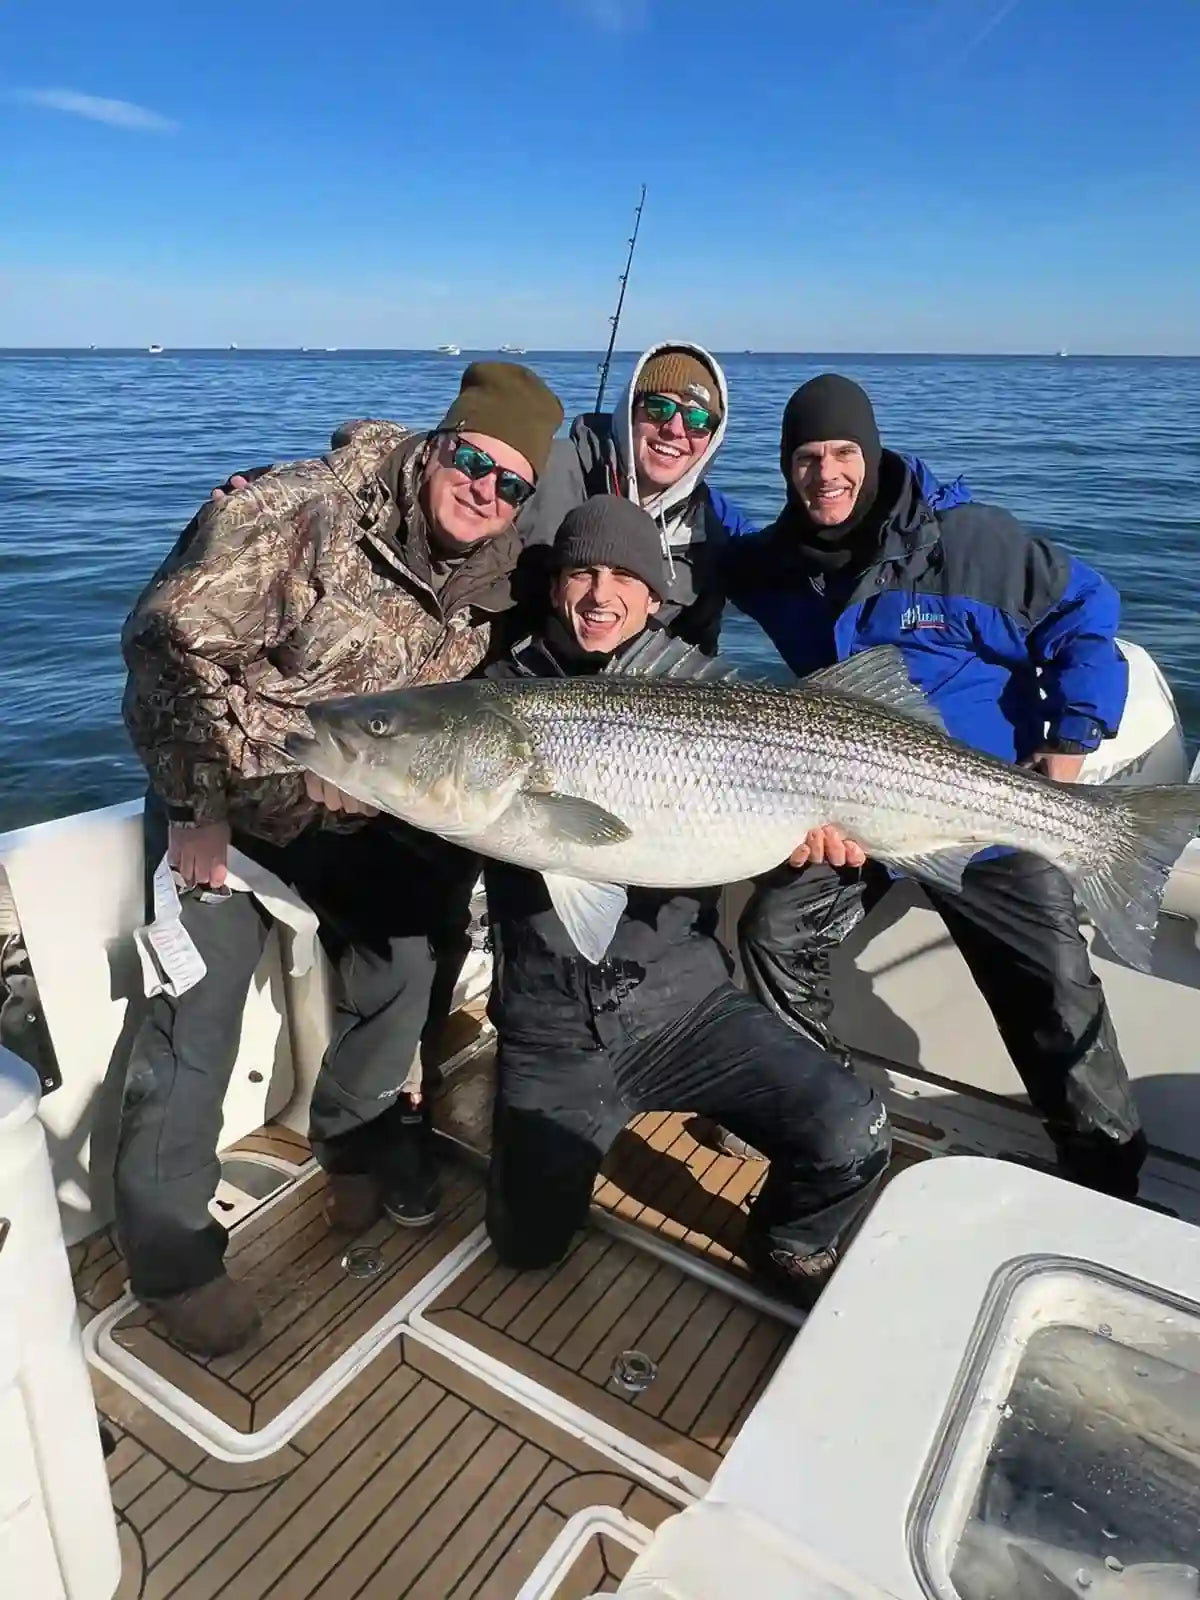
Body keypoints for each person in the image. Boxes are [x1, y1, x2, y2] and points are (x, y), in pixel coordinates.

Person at [116, 360, 565, 1355]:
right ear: (438, 441)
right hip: (222, 804)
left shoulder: (497, 584)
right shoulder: (301, 513)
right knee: (196, 1013)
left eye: (510, 483)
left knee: (407, 967)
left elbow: (598, 611)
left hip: (355, 817)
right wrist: (197, 805)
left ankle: (354, 1138)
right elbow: (163, 644)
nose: (484, 491)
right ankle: (170, 1257)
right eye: (470, 459)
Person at [726, 373, 1147, 1200]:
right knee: (773, 932)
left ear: (873, 452)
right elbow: (699, 540)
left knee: (1056, 995)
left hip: (984, 813)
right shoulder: (777, 563)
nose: (826, 473)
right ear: (784, 467)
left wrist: (1068, 749)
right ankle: (826, 1117)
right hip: (853, 803)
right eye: (806, 457)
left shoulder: (972, 542)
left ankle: (1107, 1182)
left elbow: (1088, 614)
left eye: (844, 451)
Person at [477, 493, 893, 1302]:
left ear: (655, 596)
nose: (602, 595)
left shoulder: (702, 694)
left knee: (855, 1131)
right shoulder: (498, 697)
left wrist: (802, 858)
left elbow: (739, 842)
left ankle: (787, 1242)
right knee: (526, 1245)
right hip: (553, 1031)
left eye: (625, 577)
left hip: (689, 1011)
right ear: (556, 585)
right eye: (582, 573)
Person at [211, 341, 753, 653]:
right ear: (625, 409)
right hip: (501, 682)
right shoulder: (549, 465)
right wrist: (293, 482)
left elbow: (694, 654)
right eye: (657, 408)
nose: (676, 429)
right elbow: (451, 461)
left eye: (699, 419)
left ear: (714, 438)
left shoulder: (710, 532)